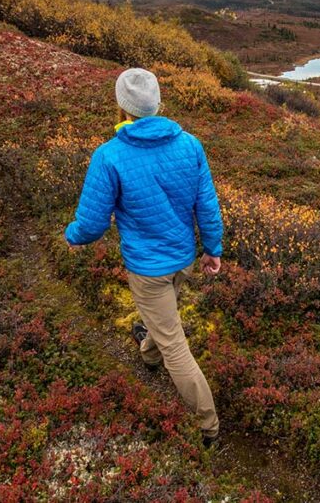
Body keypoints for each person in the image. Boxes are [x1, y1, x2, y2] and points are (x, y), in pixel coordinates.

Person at [64, 67, 223, 445]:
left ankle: (209, 426)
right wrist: (212, 249)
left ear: (121, 107)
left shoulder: (109, 156)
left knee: (176, 346)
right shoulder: (190, 144)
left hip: (148, 269)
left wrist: (73, 237)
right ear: (157, 104)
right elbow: (208, 206)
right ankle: (148, 353)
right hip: (183, 260)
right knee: (163, 321)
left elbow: (91, 222)